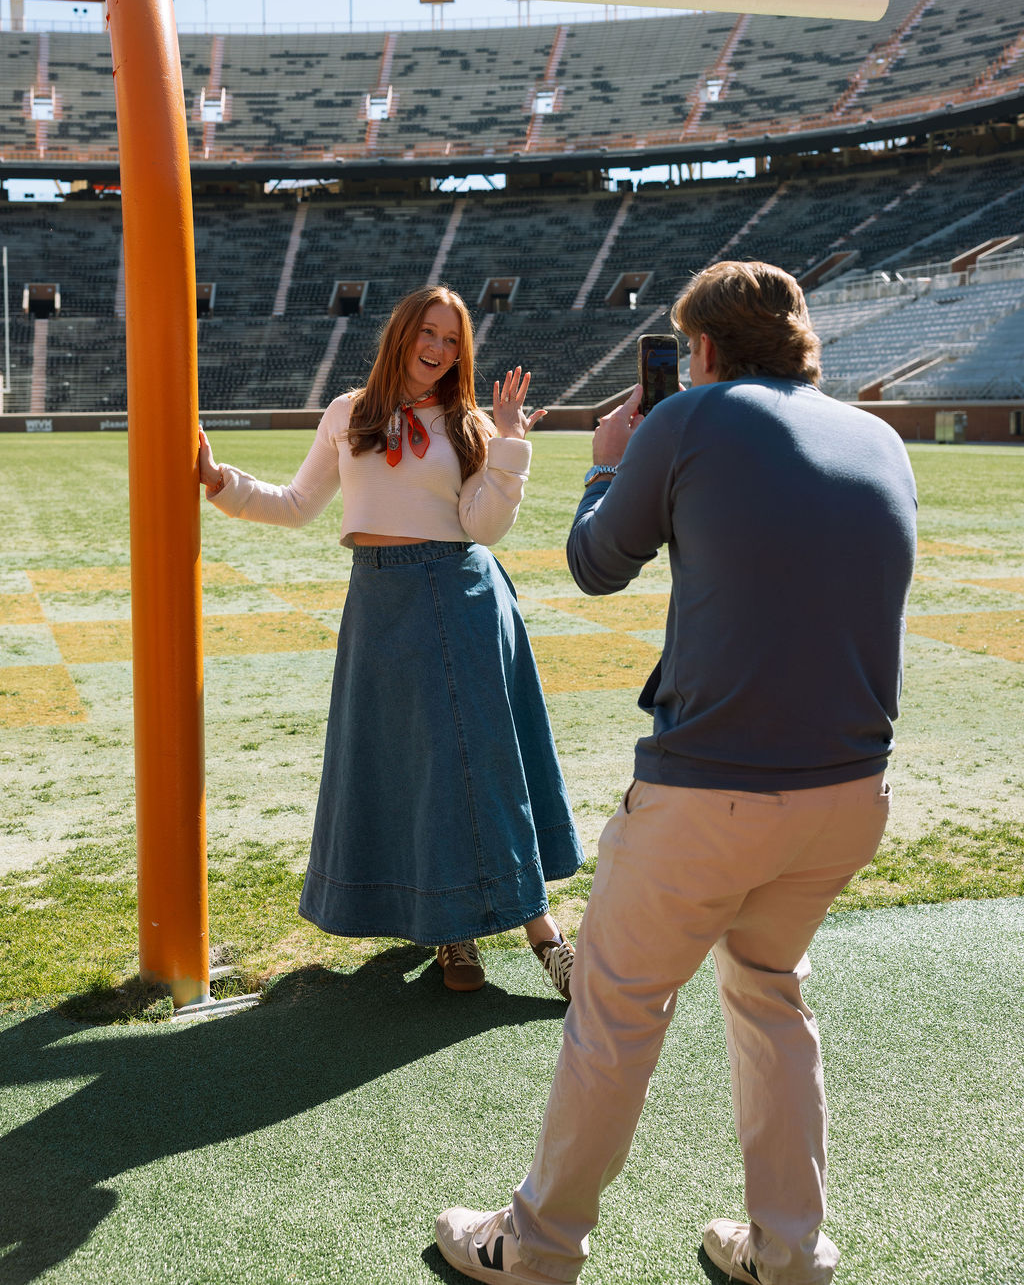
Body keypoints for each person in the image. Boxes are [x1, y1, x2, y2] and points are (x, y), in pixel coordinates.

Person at [436, 260, 917, 1284]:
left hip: (709, 789)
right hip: (849, 790)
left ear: (698, 350)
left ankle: (535, 1245)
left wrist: (610, 460)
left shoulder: (684, 421)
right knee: (770, 991)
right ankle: (787, 1249)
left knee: (615, 1011)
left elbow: (595, 562)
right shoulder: (879, 436)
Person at [198, 284, 582, 998]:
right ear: (402, 333)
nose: (438, 350)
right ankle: (451, 934)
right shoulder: (348, 412)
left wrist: (510, 443)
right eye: (428, 333)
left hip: (461, 596)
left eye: (452, 341)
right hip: (378, 602)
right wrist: (220, 481)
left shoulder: (469, 423)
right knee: (416, 769)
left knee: (481, 765)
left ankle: (547, 936)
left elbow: (486, 526)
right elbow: (297, 504)